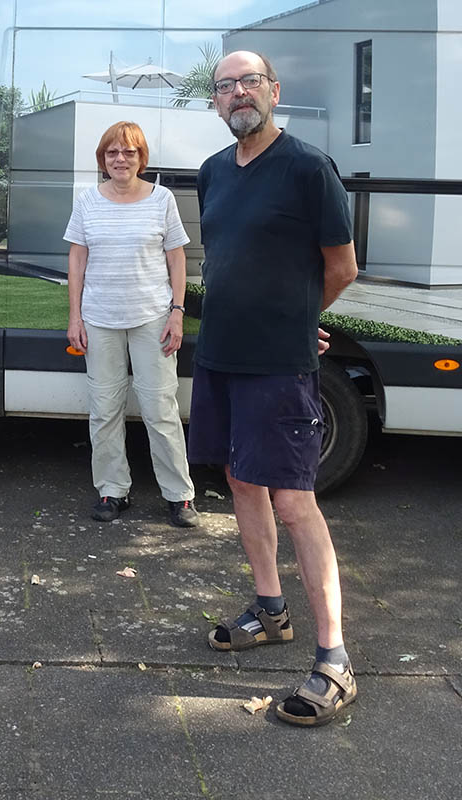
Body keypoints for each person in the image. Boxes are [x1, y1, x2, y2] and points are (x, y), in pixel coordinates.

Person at [192, 51, 359, 726]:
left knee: (295, 501)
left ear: (274, 91)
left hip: (277, 366)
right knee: (239, 482)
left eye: (249, 82)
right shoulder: (211, 174)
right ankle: (270, 610)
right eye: (226, 86)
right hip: (221, 356)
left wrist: (299, 323)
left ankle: (335, 661)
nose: (239, 93)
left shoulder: (307, 168)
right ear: (215, 102)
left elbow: (342, 267)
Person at [63, 121, 199, 529]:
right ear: (103, 160)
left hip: (152, 318)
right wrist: (75, 316)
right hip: (100, 318)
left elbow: (177, 259)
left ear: (142, 158)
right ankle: (111, 489)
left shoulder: (162, 199)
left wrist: (177, 311)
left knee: (160, 408)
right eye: (112, 153)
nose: (120, 159)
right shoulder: (87, 200)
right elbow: (77, 260)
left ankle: (180, 496)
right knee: (104, 409)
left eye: (129, 152)